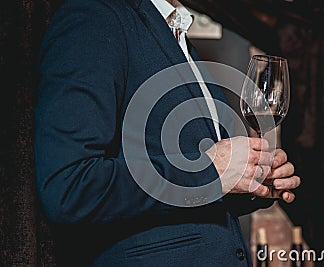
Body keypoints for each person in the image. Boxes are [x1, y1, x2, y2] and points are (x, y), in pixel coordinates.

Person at [34, 0, 301, 266]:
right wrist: (210, 172)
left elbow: (191, 196)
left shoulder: (173, 32)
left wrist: (251, 182)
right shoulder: (93, 17)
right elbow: (69, 187)